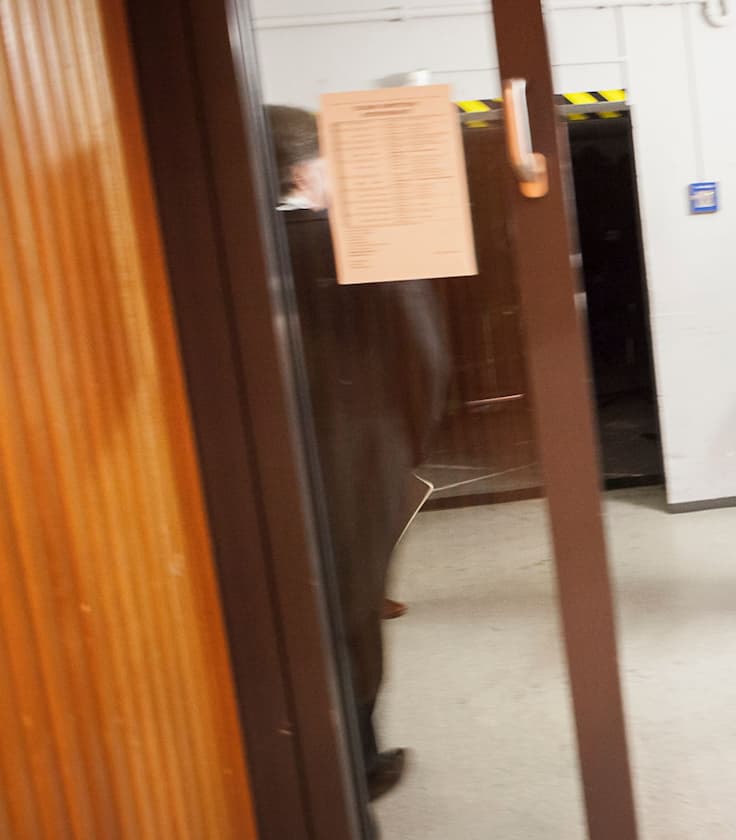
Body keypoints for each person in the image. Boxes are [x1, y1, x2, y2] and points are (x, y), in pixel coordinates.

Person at [265, 104, 451, 802]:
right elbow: (423, 359)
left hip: (266, 463)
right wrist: (405, 445)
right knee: (353, 611)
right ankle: (360, 762)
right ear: (306, 168)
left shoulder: (230, 250)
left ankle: (302, 754)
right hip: (360, 456)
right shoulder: (365, 241)